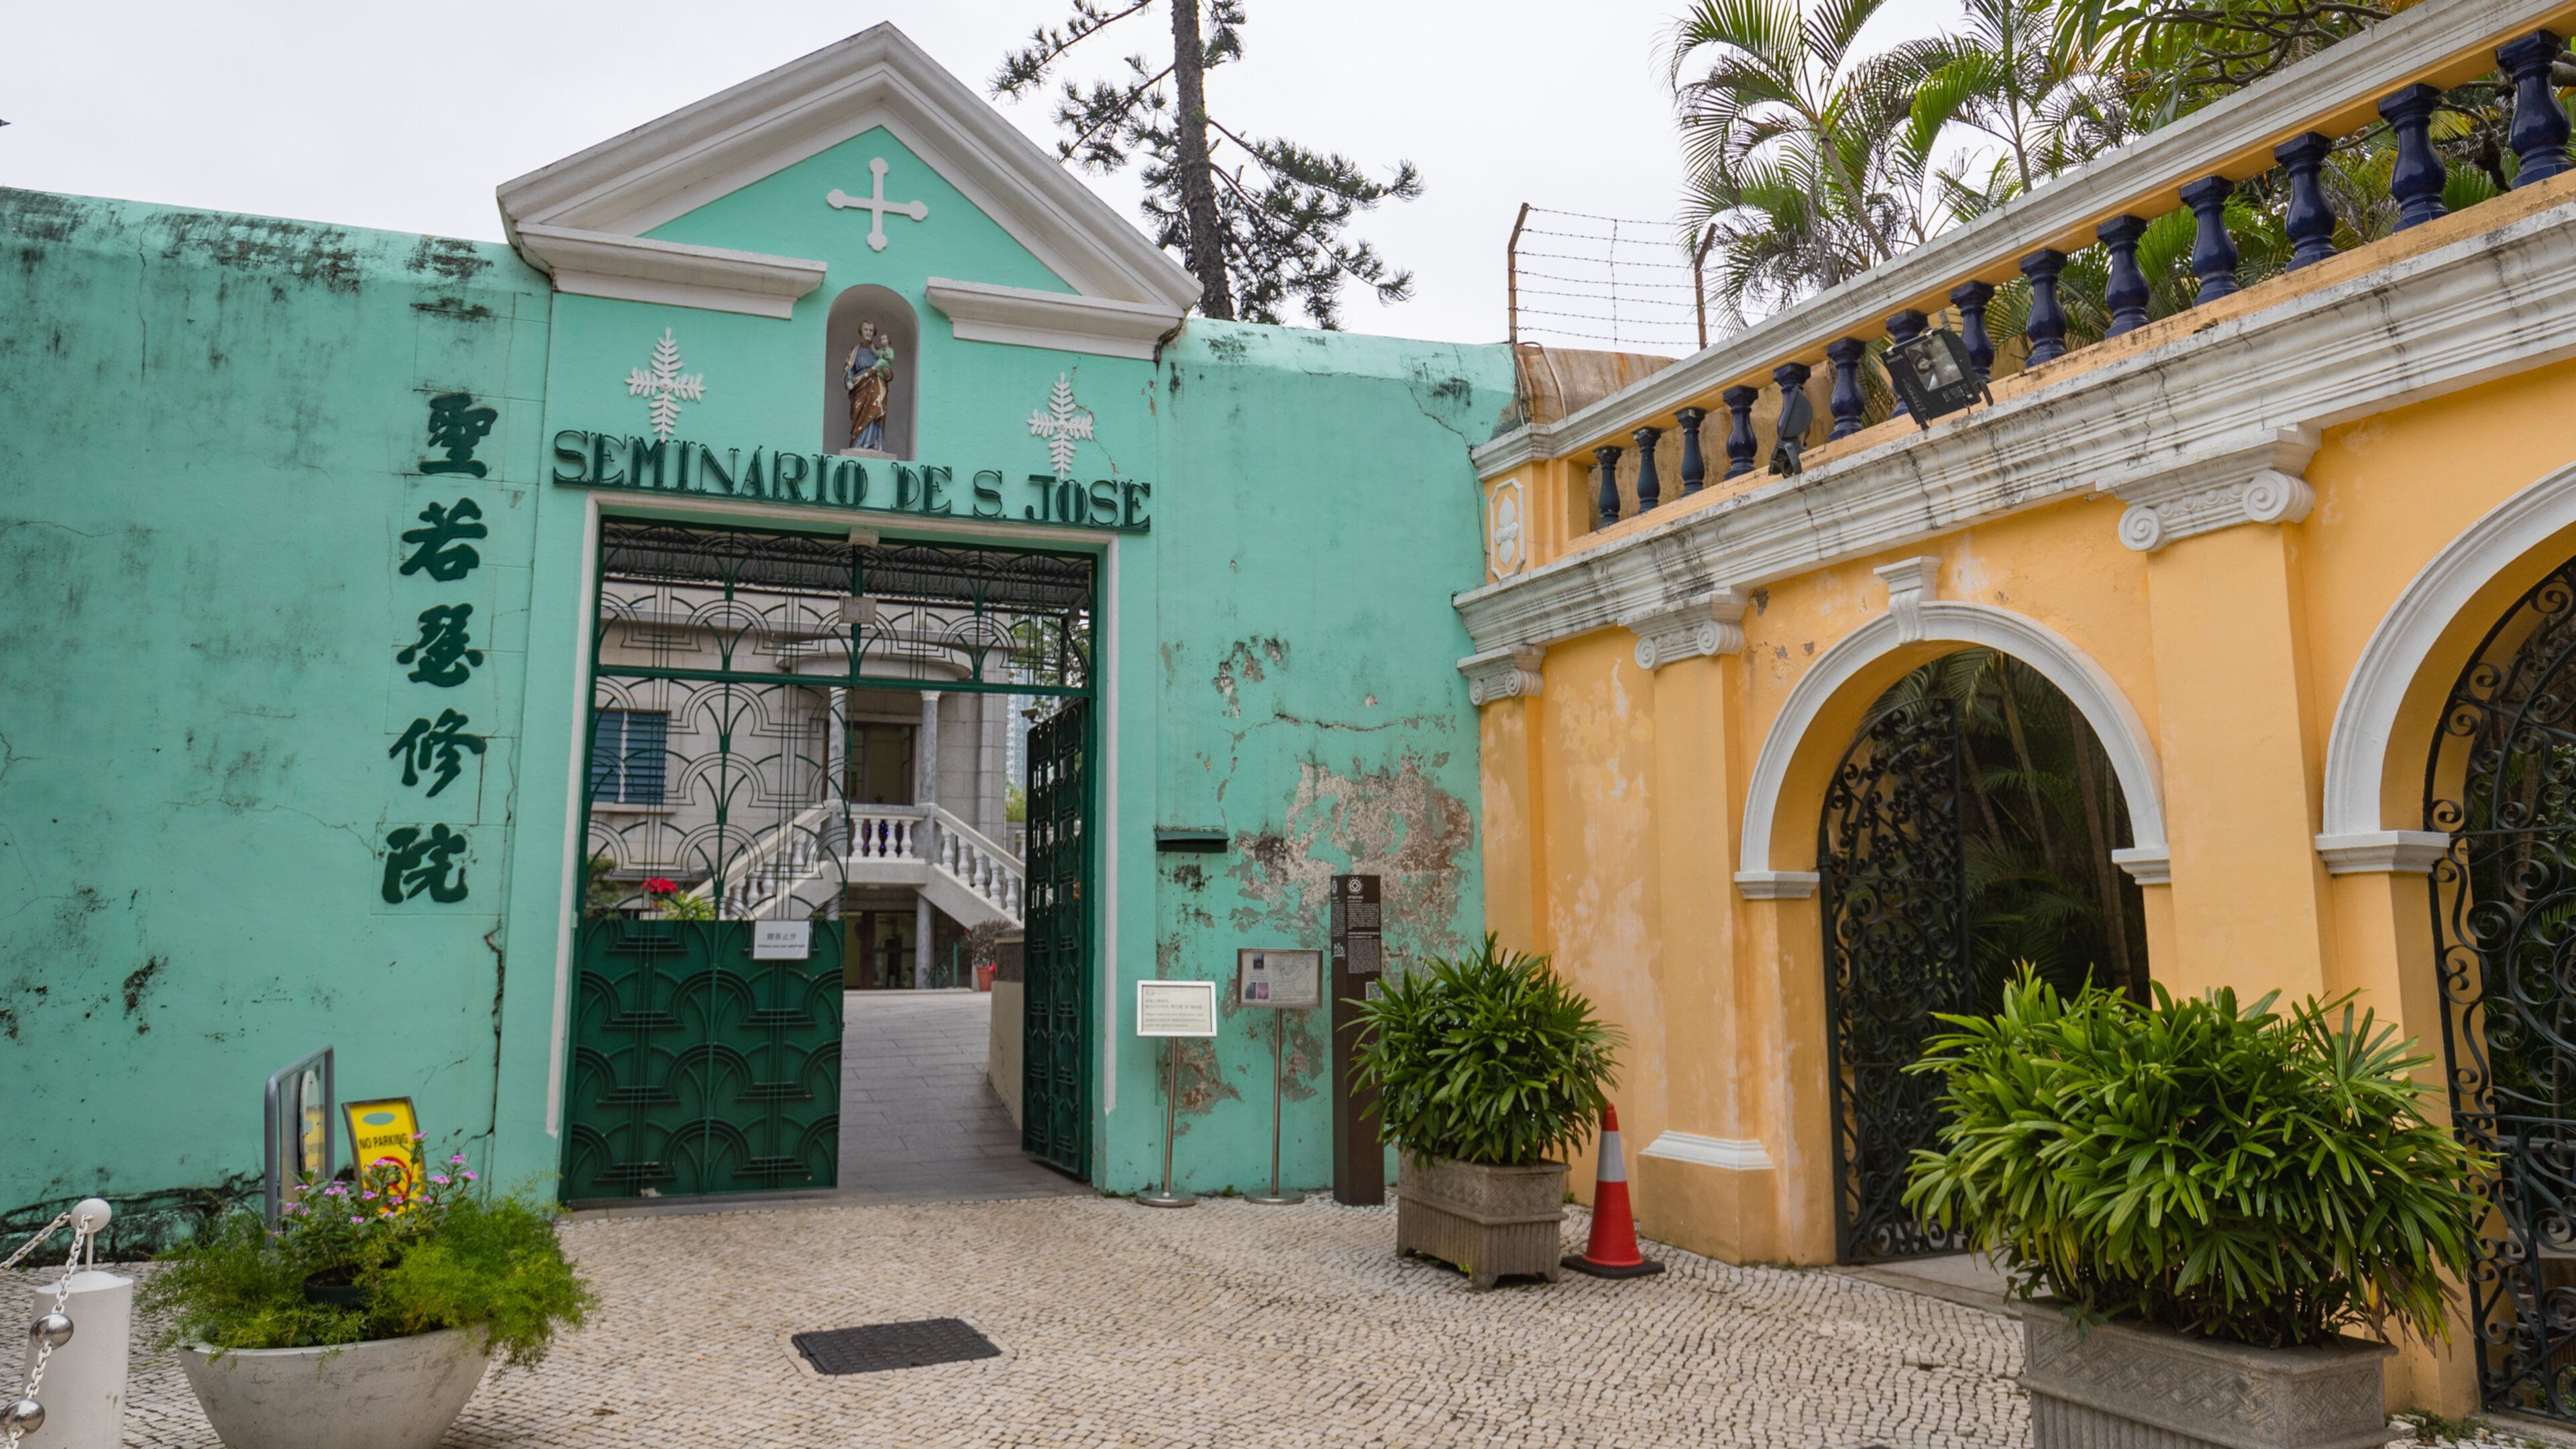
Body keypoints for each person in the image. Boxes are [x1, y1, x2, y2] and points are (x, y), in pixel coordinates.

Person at [843, 321, 895, 451]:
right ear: (861, 332)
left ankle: (874, 443)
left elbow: (888, 372)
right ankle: (858, 443)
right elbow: (849, 370)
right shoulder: (855, 350)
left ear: (874, 333)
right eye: (866, 330)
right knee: (859, 413)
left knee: (875, 412)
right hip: (860, 385)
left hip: (877, 384)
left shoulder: (879, 351)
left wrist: (887, 373)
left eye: (871, 330)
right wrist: (848, 381)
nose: (868, 332)